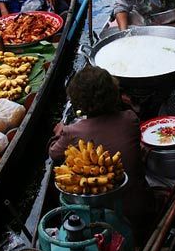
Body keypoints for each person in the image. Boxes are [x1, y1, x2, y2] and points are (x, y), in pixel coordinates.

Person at [49, 65, 154, 232]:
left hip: (104, 218)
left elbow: (54, 153)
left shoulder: (73, 132)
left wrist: (58, 133)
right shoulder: (130, 119)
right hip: (139, 206)